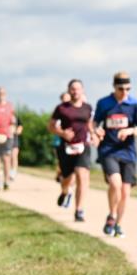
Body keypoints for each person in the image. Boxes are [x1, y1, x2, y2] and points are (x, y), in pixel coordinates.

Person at [93, 72, 137, 238]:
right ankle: (112, 214)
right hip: (108, 150)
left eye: (128, 89)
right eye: (121, 89)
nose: (125, 92)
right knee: (115, 184)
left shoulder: (134, 105)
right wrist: (96, 130)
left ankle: (119, 224)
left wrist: (130, 130)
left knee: (125, 192)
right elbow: (95, 122)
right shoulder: (104, 103)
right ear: (114, 87)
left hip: (128, 152)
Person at [49, 79, 94, 221]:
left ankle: (79, 210)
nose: (75, 91)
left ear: (83, 90)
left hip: (83, 146)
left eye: (78, 89)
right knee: (67, 178)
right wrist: (62, 133)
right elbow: (51, 126)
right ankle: (64, 191)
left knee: (82, 175)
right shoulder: (61, 108)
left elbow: (90, 124)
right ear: (69, 90)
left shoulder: (87, 108)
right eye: (72, 89)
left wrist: (94, 135)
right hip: (66, 147)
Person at [53, 91, 70, 183]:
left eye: (67, 98)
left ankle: (63, 175)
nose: (65, 100)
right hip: (59, 141)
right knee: (60, 161)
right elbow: (53, 126)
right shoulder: (58, 111)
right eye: (63, 98)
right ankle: (61, 174)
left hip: (71, 142)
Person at [10, 113, 23, 180]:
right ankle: (9, 171)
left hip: (14, 140)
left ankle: (13, 172)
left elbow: (20, 130)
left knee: (14, 156)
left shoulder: (17, 118)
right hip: (6, 140)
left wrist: (14, 131)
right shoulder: (4, 117)